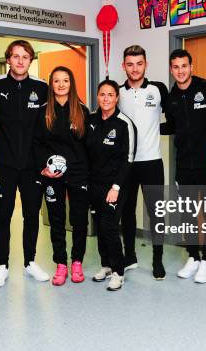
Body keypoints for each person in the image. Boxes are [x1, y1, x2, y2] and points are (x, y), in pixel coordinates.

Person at [0, 40, 49, 287]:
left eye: (26, 57)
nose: (20, 61)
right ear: (8, 59)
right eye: (16, 56)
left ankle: (30, 262)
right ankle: (3, 265)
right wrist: (0, 129)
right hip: (4, 165)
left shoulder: (42, 88)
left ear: (31, 60)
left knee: (31, 215)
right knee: (2, 216)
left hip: (32, 166)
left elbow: (54, 118)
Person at [160, 49, 206, 283]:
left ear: (191, 67)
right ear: (171, 69)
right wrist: (145, 127)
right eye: (176, 67)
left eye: (184, 66)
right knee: (188, 213)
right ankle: (193, 256)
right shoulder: (171, 97)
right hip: (184, 165)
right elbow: (171, 126)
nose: (180, 71)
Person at [34, 66, 90, 286]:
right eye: (56, 81)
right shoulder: (44, 111)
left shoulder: (82, 110)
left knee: (79, 220)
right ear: (51, 84)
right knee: (56, 220)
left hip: (78, 173)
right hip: (53, 175)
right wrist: (44, 168)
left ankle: (77, 262)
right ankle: (61, 264)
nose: (61, 85)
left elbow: (88, 146)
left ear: (71, 83)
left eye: (65, 80)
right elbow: (37, 144)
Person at [117, 45, 168, 279]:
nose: (134, 68)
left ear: (146, 64)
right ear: (123, 66)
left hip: (152, 162)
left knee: (156, 213)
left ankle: (158, 260)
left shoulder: (158, 89)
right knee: (127, 211)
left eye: (139, 64)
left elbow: (175, 120)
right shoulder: (118, 92)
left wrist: (153, 130)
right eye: (130, 64)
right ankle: (130, 256)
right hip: (126, 164)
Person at [86, 80, 136, 291]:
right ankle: (106, 265)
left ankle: (119, 271)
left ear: (117, 98)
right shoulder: (90, 120)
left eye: (110, 95)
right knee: (99, 225)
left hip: (116, 185)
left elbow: (129, 158)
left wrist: (115, 187)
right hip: (94, 184)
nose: (106, 98)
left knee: (109, 226)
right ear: (97, 97)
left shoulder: (124, 123)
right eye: (102, 94)